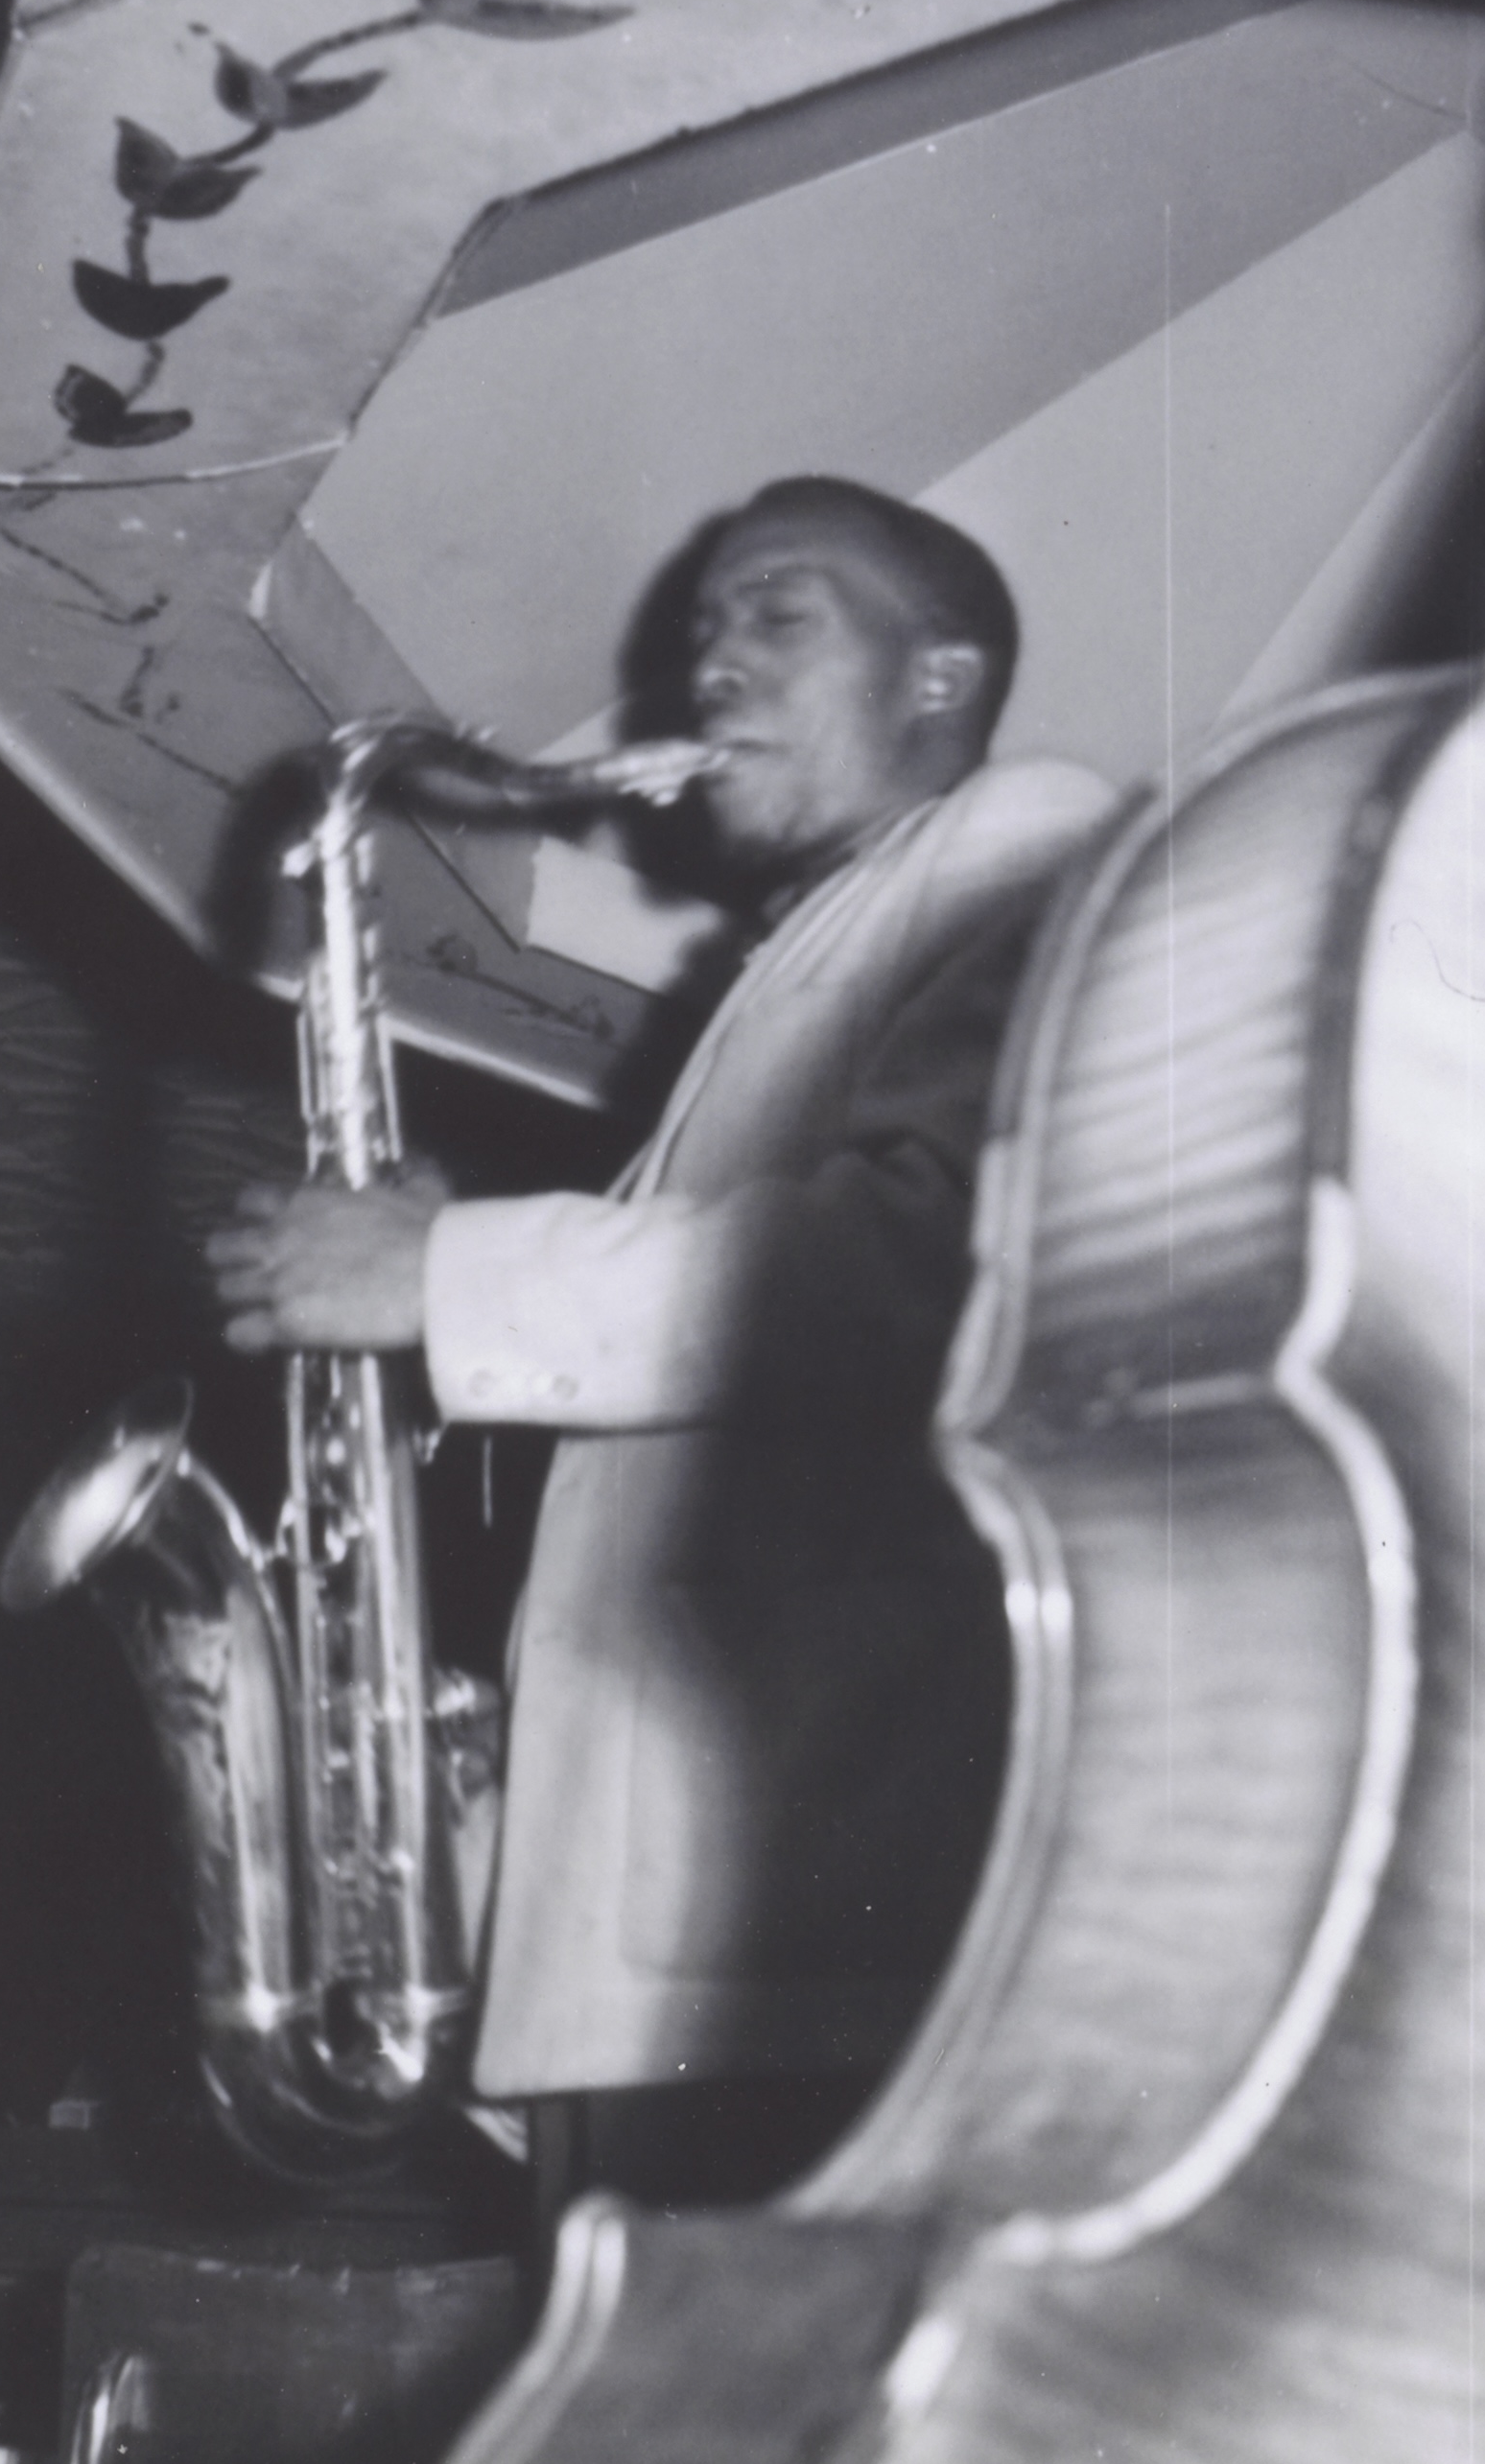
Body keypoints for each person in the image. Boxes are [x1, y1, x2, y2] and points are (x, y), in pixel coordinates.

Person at [207, 477, 1118, 2198]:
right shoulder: (791, 965)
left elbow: (941, 1267)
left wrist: (449, 1276)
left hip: (792, 1944)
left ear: (940, 676)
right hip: (671, 1943)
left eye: (777, 614)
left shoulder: (1024, 837)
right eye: (703, 630)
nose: (712, 666)